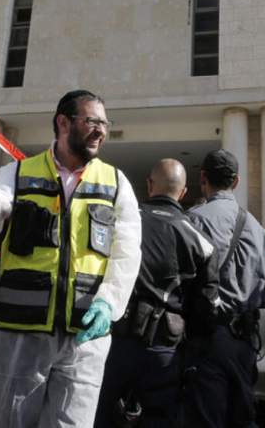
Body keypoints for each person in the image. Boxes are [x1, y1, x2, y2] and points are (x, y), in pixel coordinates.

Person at [0, 90, 142, 428]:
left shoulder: (116, 183)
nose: (101, 130)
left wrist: (109, 304)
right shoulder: (18, 174)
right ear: (63, 122)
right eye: (92, 121)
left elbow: (127, 253)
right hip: (22, 332)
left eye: (104, 123)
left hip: (84, 336)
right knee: (8, 420)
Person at [94, 159, 218, 427]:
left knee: (98, 415)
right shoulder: (202, 242)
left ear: (149, 185)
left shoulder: (121, 223)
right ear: (184, 192)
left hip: (112, 342)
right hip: (164, 351)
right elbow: (206, 308)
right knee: (159, 419)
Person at [182, 150, 265, 428]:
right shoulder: (257, 227)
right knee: (242, 416)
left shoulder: (195, 218)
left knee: (206, 416)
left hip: (209, 337)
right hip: (246, 340)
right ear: (236, 181)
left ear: (203, 178)